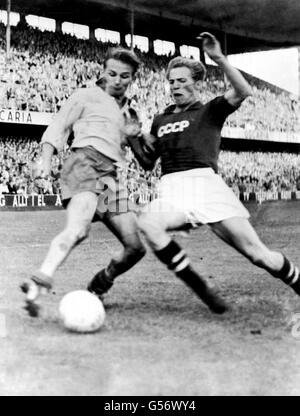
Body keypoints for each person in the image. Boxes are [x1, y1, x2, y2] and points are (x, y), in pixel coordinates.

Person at [128, 32, 300, 313]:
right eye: (171, 81)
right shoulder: (160, 119)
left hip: (207, 187)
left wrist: (219, 58)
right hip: (172, 190)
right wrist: (132, 138)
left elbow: (244, 91)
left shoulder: (210, 110)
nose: (175, 86)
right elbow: (148, 163)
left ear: (197, 83)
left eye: (182, 81)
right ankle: (203, 290)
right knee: (148, 223)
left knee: (259, 256)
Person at [21, 48, 146, 317]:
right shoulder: (85, 95)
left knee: (135, 247)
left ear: (132, 78)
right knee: (79, 230)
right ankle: (39, 282)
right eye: (112, 73)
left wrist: (135, 136)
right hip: (84, 163)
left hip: (110, 177)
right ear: (103, 71)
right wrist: (45, 162)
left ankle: (100, 284)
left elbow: (144, 155)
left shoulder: (129, 111)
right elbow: (58, 128)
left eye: (125, 76)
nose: (117, 80)